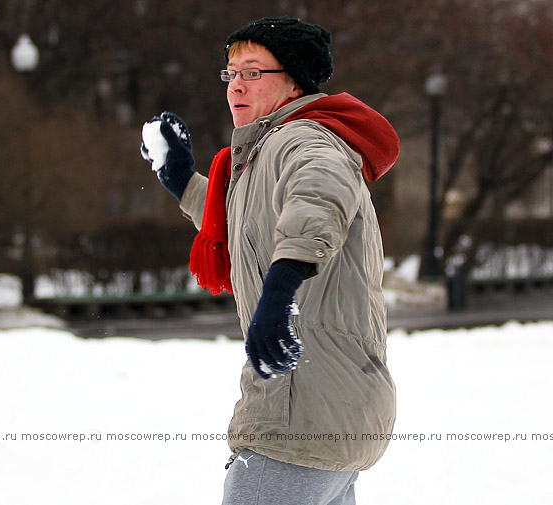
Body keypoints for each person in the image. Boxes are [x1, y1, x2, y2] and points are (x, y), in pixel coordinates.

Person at [140, 16, 399, 505]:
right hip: (331, 408)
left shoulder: (304, 141)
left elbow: (318, 204)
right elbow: (246, 224)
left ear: (294, 80)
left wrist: (281, 291)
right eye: (231, 72)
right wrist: (181, 179)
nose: (236, 84)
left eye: (253, 71)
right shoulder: (269, 149)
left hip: (299, 414)